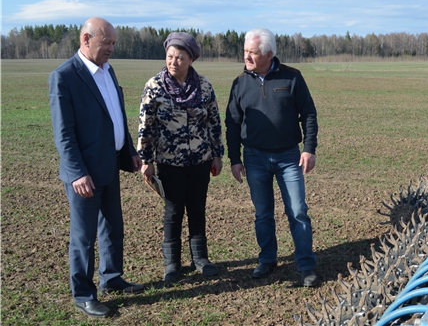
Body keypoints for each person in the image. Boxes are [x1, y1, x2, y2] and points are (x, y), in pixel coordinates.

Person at [49, 17, 144, 318]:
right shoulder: (64, 77)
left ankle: (112, 279)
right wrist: (77, 172)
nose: (111, 49)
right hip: (84, 175)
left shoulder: (108, 70)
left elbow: (116, 115)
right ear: (86, 39)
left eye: (114, 43)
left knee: (113, 228)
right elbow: (63, 132)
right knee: (84, 237)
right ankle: (83, 293)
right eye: (107, 43)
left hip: (109, 167)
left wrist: (129, 151)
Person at [225, 27, 319, 287]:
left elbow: (308, 114)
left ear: (269, 54)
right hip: (254, 158)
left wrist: (309, 148)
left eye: (253, 52)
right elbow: (232, 123)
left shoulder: (292, 78)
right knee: (263, 213)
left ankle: (306, 265)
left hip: (289, 158)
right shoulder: (240, 84)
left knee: (298, 211)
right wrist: (235, 158)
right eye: (245, 51)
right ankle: (267, 259)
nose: (247, 57)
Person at [137, 32, 224, 285]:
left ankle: (201, 259)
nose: (173, 62)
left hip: (200, 160)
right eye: (170, 57)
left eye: (180, 57)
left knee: (197, 209)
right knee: (173, 212)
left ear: (191, 60)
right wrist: (146, 160)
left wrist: (218, 155)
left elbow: (214, 123)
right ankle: (172, 264)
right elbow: (146, 126)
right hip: (168, 161)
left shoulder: (205, 86)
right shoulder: (154, 86)